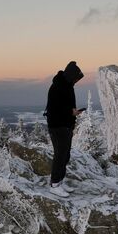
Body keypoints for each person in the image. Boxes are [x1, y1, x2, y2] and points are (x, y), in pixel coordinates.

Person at [44, 61, 84, 198]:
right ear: (71, 76)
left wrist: (73, 112)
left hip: (66, 126)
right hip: (57, 127)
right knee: (60, 155)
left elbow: (66, 106)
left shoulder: (67, 86)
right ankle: (54, 185)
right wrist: (70, 112)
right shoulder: (57, 87)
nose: (77, 81)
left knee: (65, 155)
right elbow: (54, 110)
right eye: (76, 78)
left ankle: (60, 182)